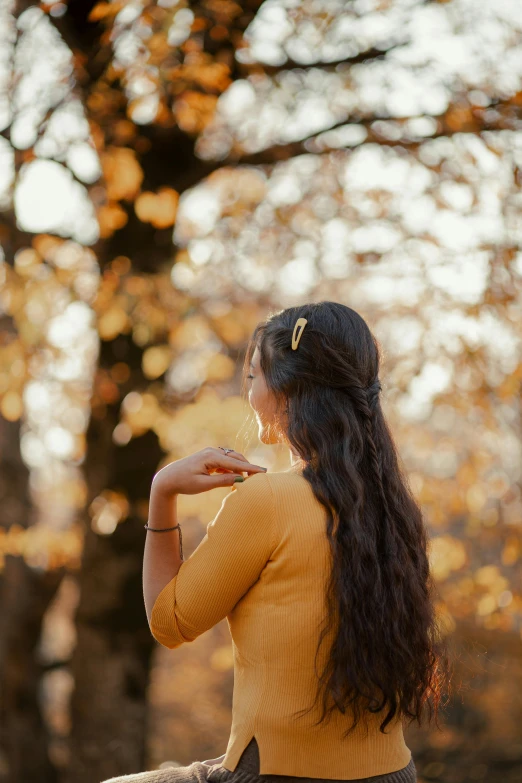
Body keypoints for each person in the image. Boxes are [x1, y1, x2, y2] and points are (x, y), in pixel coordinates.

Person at [102, 301, 450, 783]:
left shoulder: (265, 500)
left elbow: (169, 622)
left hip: (274, 773)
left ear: (286, 386)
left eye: (253, 377)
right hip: (394, 773)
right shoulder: (393, 510)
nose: (250, 392)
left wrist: (163, 490)